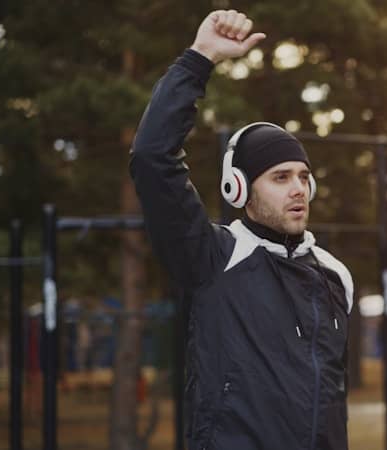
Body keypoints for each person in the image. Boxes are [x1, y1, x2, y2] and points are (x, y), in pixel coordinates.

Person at [129, 10, 354, 450]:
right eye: (279, 177)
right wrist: (200, 59)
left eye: (303, 176)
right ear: (238, 188)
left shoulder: (335, 276)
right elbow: (152, 159)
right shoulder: (214, 258)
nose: (298, 189)